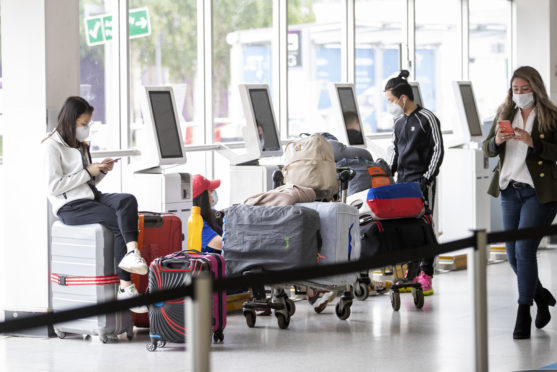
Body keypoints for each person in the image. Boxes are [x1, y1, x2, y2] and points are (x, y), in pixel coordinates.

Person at [42, 96, 149, 313]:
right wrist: (87, 171)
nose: (86, 128)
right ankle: (125, 286)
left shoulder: (80, 144)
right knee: (116, 221)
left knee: (127, 200)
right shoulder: (51, 147)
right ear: (70, 121)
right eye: (83, 124)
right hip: (70, 206)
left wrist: (99, 170)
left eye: (88, 123)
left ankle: (131, 252)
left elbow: (87, 181)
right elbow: (54, 187)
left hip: (91, 196)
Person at [482, 66, 557, 339]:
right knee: (512, 256)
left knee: (525, 251)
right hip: (509, 191)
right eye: (516, 90)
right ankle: (540, 295)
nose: (520, 94)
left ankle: (523, 311)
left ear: (536, 89)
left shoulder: (550, 116)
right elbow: (487, 147)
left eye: (525, 89)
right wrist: (498, 140)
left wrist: (533, 142)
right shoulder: (505, 114)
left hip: (539, 194)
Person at [385, 70, 444, 295]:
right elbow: (396, 151)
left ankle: (427, 274)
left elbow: (438, 150)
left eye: (391, 100)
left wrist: (426, 179)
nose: (390, 105)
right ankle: (411, 274)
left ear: (403, 98)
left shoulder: (427, 118)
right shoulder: (398, 122)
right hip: (402, 182)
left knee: (425, 226)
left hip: (421, 182)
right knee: (406, 229)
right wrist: (388, 174)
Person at [192, 174, 223, 254]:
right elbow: (222, 243)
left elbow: (222, 216)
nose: (213, 194)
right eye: (211, 191)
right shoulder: (197, 223)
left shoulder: (212, 212)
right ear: (203, 197)